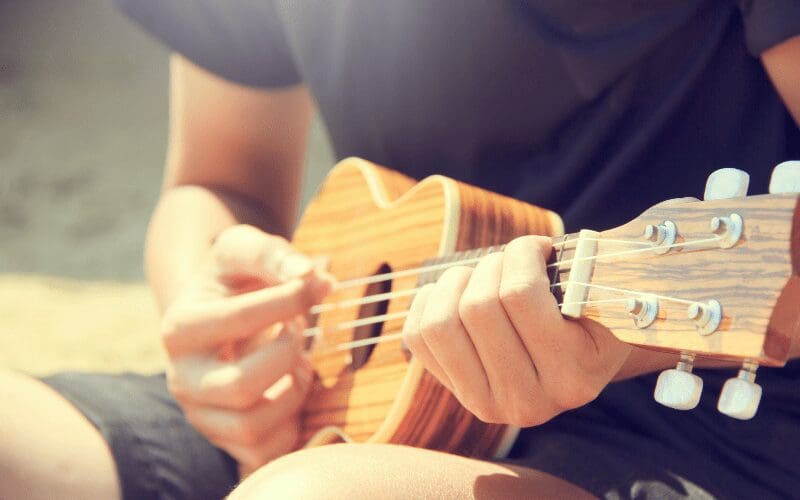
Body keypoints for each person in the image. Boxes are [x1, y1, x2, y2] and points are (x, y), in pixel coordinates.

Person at [2, 1, 799, 499]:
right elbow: (219, 177)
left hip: (711, 437)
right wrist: (212, 321)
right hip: (343, 393)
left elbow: (765, 265)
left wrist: (621, 336)